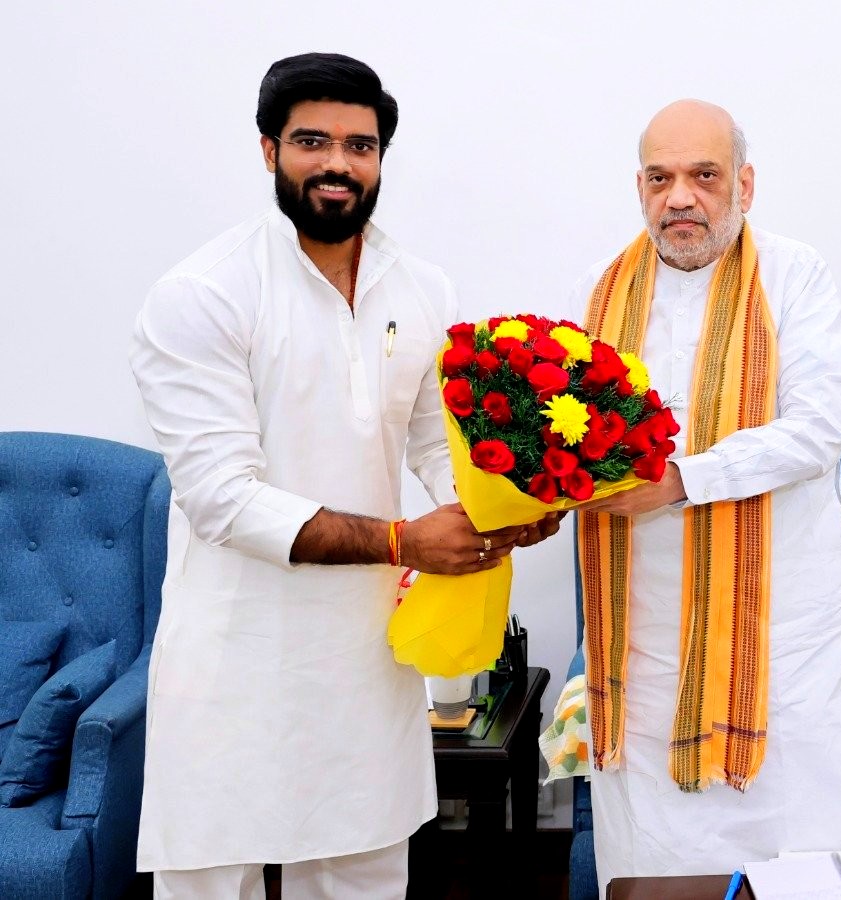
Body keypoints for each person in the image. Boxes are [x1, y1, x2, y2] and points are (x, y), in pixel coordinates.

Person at [130, 52, 557, 898]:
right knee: (213, 878)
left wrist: (509, 510)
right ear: (268, 150)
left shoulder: (421, 285)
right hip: (235, 655)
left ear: (380, 160)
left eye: (359, 146)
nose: (337, 163)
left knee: (364, 871)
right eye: (311, 141)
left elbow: (439, 446)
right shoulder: (203, 294)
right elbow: (221, 499)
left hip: (365, 653)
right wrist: (407, 540)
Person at [563, 99, 841, 886]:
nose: (680, 197)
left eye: (703, 176)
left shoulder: (794, 274)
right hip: (645, 653)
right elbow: (569, 433)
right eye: (660, 178)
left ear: (744, 184)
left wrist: (683, 480)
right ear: (640, 188)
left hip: (788, 650)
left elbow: (819, 429)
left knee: (820, 876)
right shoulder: (598, 291)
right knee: (660, 876)